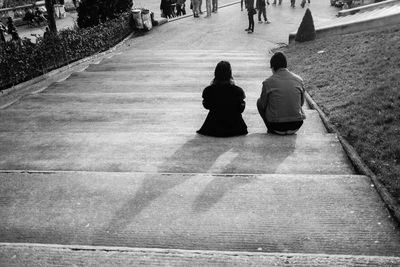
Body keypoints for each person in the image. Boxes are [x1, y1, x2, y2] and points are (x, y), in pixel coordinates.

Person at [257, 52, 306, 135]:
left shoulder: (267, 82)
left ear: (272, 67)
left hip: (276, 126)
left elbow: (263, 104)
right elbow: (301, 103)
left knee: (259, 101)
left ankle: (270, 129)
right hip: (296, 124)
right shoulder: (299, 80)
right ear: (285, 65)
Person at [197, 61, 248, 137]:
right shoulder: (238, 90)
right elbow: (241, 108)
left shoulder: (208, 90)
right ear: (229, 74)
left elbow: (206, 105)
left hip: (213, 126)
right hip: (236, 126)